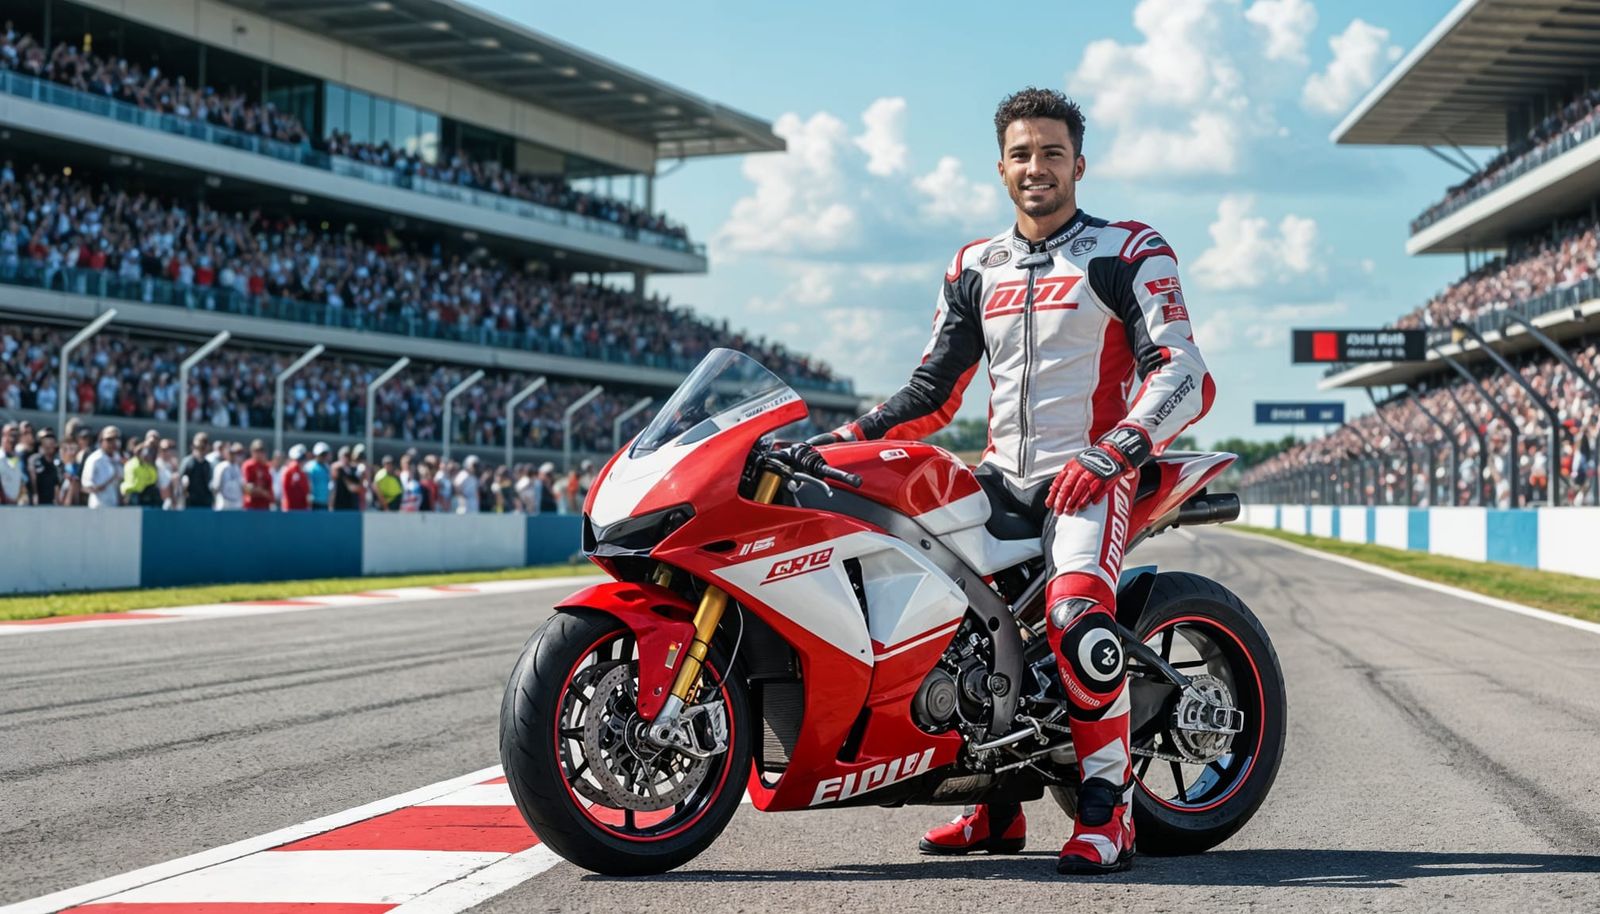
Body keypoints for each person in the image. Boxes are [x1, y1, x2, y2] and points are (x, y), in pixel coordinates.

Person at [813, 88, 1213, 875]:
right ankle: (994, 810)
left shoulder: (1127, 249)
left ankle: (1109, 812)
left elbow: (1185, 371)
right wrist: (842, 440)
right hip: (999, 477)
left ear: (1079, 164)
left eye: (1053, 153)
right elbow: (933, 391)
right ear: (1001, 168)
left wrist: (1119, 449)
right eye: (1023, 154)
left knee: (1074, 620)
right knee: (939, 618)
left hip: (1093, 474)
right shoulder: (973, 265)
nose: (1038, 167)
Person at [83, 425, 124, 508]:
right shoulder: (94, 459)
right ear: (101, 441)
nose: (113, 443)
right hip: (98, 506)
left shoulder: (118, 458)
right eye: (109, 440)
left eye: (115, 439)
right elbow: (86, 487)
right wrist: (107, 482)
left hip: (114, 505)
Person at [26, 428, 62, 506]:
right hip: (37, 501)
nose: (49, 446)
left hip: (51, 502)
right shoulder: (35, 459)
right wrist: (35, 494)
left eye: (52, 443)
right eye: (46, 443)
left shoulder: (57, 463)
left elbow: (57, 484)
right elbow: (32, 477)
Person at [241, 439, 273, 510]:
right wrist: (262, 492)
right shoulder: (248, 466)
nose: (259, 453)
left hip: (265, 505)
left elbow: (270, 489)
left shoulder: (266, 467)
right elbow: (247, 488)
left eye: (261, 451)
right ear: (252, 452)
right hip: (251, 506)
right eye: (257, 451)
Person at [212, 442, 245, 510]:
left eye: (234, 454)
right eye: (231, 453)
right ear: (226, 454)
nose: (232, 456)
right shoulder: (221, 467)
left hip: (236, 503)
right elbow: (216, 486)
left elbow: (242, 485)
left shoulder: (238, 467)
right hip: (224, 502)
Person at [0, 421, 25, 505]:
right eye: (10, 434)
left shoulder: (19, 459)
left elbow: (21, 482)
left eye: (15, 434)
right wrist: (5, 499)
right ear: (3, 435)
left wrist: (19, 499)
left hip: (15, 506)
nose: (12, 437)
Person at [332, 445, 362, 511]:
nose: (347, 458)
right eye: (345, 456)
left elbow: (356, 488)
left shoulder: (355, 469)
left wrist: (345, 477)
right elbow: (333, 476)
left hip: (351, 505)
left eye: (348, 456)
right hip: (339, 505)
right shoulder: (337, 468)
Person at [281, 443, 310, 511]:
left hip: (301, 509)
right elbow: (287, 492)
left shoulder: (303, 473)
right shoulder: (289, 471)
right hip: (291, 509)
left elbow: (305, 491)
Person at [307, 442, 332, 510]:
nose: (323, 457)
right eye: (322, 454)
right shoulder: (310, 467)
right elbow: (309, 485)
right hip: (314, 503)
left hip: (325, 503)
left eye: (325, 454)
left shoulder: (327, 467)